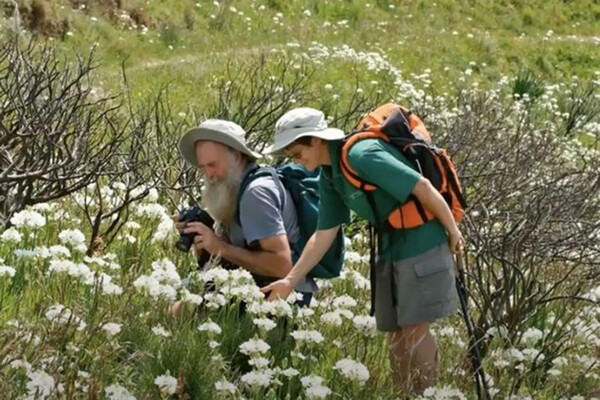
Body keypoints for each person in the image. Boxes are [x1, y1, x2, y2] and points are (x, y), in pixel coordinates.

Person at [260, 107, 465, 394]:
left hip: (422, 241)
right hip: (390, 247)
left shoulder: (362, 155)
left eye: (297, 153)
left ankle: (427, 394)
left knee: (414, 329)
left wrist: (453, 233)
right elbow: (323, 234)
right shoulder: (329, 175)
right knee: (395, 334)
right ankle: (401, 394)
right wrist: (290, 280)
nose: (296, 161)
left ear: (316, 140)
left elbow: (422, 187)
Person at [175, 119, 317, 308]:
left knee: (179, 311)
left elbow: (283, 265)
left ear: (236, 156)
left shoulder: (256, 193)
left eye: (213, 164)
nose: (208, 174)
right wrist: (203, 234)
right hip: (257, 288)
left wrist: (220, 247)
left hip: (281, 299)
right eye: (203, 167)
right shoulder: (234, 187)